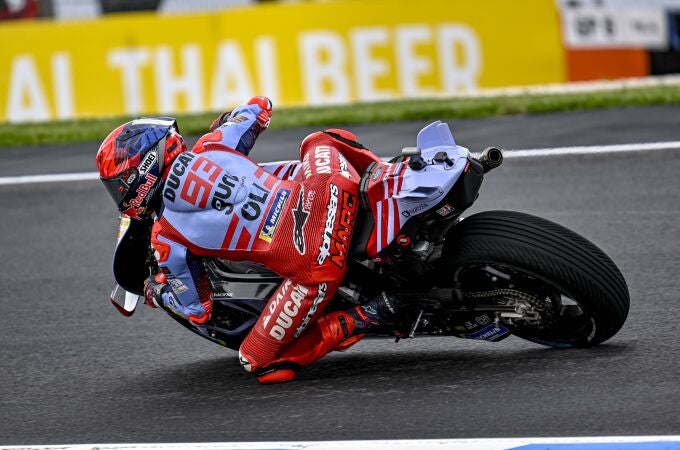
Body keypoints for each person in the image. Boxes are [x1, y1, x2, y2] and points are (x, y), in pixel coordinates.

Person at [96, 97, 400, 383]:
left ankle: (368, 315)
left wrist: (155, 292)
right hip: (329, 189)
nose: (120, 195)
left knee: (258, 362)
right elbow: (260, 106)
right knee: (320, 140)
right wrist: (225, 121)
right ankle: (390, 177)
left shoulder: (165, 236)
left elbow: (198, 310)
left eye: (120, 185)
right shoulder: (212, 144)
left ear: (143, 171)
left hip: (316, 262)